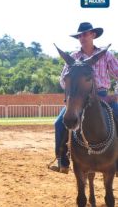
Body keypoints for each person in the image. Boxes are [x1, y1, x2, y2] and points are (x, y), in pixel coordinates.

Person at [49, 22, 118, 173]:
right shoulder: (73, 57)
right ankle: (63, 161)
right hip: (78, 98)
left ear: (93, 35)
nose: (82, 37)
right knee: (59, 123)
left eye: (85, 34)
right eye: (80, 35)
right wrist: (71, 89)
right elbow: (62, 80)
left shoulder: (106, 55)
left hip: (102, 96)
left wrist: (116, 95)